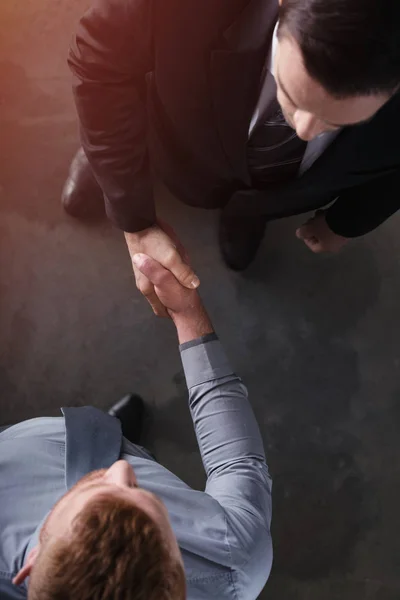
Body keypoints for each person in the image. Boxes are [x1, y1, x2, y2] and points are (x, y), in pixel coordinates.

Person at [62, 0, 400, 311]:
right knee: (114, 131)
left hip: (282, 192)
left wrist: (348, 223)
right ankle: (111, 162)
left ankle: (246, 214)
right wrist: (132, 218)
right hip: (171, 130)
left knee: (254, 203)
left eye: (337, 121)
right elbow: (102, 71)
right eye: (292, 95)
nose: (304, 131)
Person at [0, 254, 273, 600]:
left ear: (31, 565)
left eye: (98, 488)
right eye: (140, 492)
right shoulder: (235, 567)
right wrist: (187, 313)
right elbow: (238, 464)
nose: (122, 467)